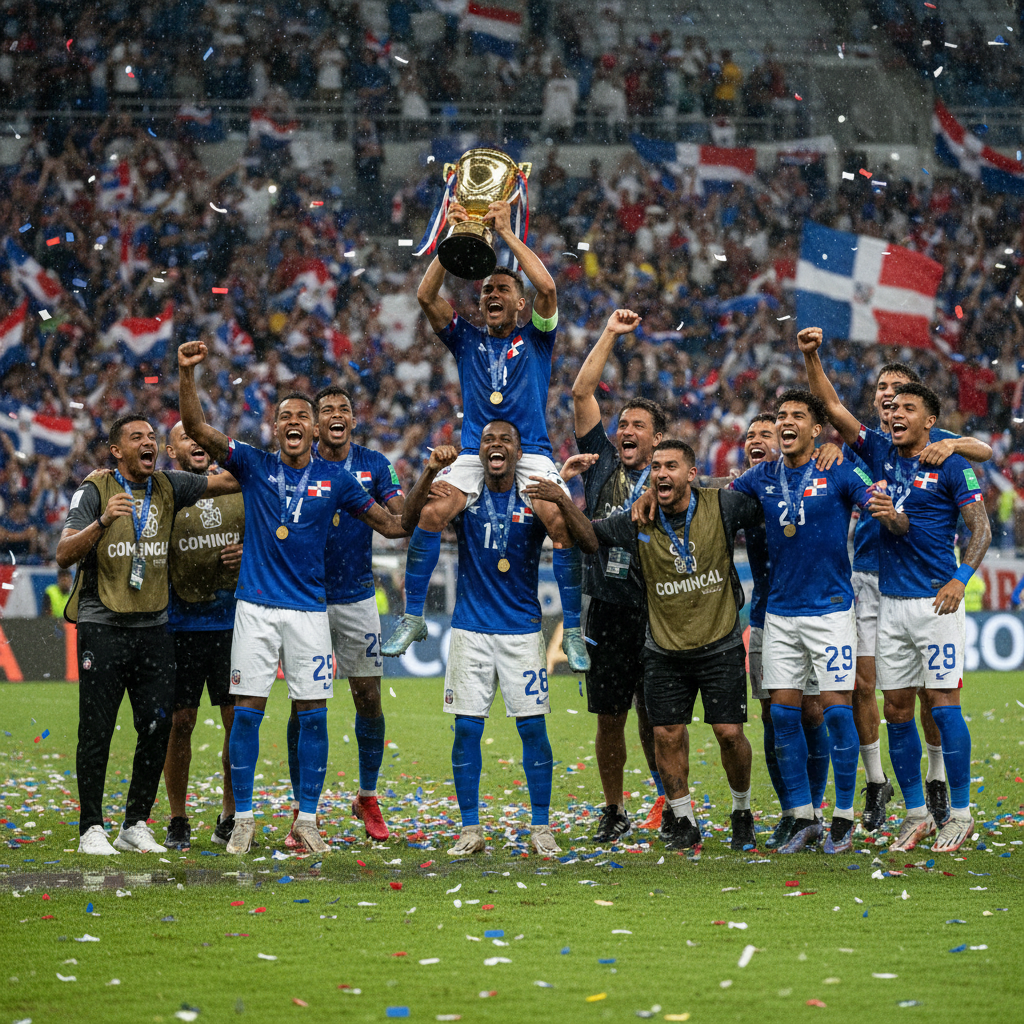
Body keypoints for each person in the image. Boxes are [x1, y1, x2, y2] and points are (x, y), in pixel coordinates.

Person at [176, 339, 408, 856]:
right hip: (255, 609)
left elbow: (393, 527)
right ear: (276, 427)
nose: (297, 422)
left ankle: (306, 820)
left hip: (310, 613)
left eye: (306, 415)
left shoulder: (339, 479)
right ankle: (244, 819)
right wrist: (187, 374)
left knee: (314, 714)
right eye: (288, 416)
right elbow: (196, 430)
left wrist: (435, 476)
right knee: (248, 712)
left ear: (318, 428)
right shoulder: (253, 464)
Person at [799, 327, 992, 854]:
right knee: (897, 710)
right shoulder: (880, 453)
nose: (894, 411)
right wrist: (813, 356)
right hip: (891, 602)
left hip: (935, 600)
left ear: (930, 420)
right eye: (891, 405)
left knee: (945, 705)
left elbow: (981, 529)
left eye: (907, 405)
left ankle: (960, 811)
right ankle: (914, 813)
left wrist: (960, 579)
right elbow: (834, 409)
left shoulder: (951, 463)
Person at [382, 199, 590, 673]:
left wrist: (506, 234)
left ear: (519, 303)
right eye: (486, 290)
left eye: (502, 289)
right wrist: (460, 238)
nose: (492, 294)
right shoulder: (467, 339)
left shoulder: (537, 338)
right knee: (432, 513)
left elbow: (549, 287)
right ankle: (413, 616)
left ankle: (573, 629)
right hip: (477, 451)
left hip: (532, 451)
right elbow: (425, 296)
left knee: (559, 523)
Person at [533, 439, 761, 853]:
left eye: (671, 466)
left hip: (719, 643)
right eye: (656, 467)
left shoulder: (723, 506)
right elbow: (589, 539)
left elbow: (764, 499)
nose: (660, 473)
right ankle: (685, 821)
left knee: (730, 734)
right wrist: (564, 501)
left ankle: (742, 811)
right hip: (665, 649)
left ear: (692, 473)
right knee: (665, 735)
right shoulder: (637, 519)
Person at [57, 414, 239, 856]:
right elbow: (63, 553)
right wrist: (101, 522)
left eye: (153, 438)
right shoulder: (95, 488)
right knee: (97, 730)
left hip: (155, 628)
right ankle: (91, 828)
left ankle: (135, 823)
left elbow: (229, 481)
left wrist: (261, 456)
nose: (149, 443)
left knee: (157, 728)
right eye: (137, 437)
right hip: (103, 626)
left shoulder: (169, 486)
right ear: (116, 450)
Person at [404, 423, 561, 858]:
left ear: (518, 451)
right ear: (480, 452)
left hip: (522, 631)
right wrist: (434, 471)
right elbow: (422, 518)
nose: (496, 445)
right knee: (467, 730)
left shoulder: (534, 498)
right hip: (471, 630)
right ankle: (470, 828)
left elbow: (567, 535)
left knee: (533, 729)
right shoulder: (464, 496)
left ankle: (541, 826)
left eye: (506, 440)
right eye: (488, 440)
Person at [731, 390, 872, 855]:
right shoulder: (761, 477)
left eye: (796, 417)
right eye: (781, 416)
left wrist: (890, 511)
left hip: (831, 610)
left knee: (834, 711)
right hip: (780, 615)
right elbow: (719, 490)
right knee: (783, 715)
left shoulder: (840, 468)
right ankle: (803, 817)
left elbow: (879, 498)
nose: (786, 422)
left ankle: (844, 819)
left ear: (816, 430)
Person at [279, 385, 405, 847]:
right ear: (314, 425)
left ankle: (367, 797)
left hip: (356, 598)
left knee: (368, 698)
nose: (336, 414)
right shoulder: (296, 466)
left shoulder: (375, 465)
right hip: (306, 598)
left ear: (354, 420)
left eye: (343, 409)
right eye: (326, 409)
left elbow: (401, 518)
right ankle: (302, 808)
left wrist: (431, 478)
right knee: (304, 704)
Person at [569, 307, 667, 842]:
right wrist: (608, 332)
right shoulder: (602, 462)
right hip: (606, 605)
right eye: (623, 424)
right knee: (610, 717)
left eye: (637, 427)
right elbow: (582, 394)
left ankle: (666, 799)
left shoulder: (668, 475)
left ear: (658, 441)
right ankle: (613, 808)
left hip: (655, 608)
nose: (626, 431)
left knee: (657, 718)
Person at [738, 413, 836, 851]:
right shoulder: (749, 489)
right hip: (765, 617)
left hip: (814, 613)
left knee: (813, 712)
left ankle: (813, 807)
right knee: (773, 717)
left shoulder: (812, 476)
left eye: (765, 433)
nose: (756, 439)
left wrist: (834, 450)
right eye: (750, 435)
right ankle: (790, 812)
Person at [161, 421, 245, 851]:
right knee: (181, 722)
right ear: (171, 451)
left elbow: (271, 545)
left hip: (234, 623)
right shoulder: (166, 494)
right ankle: (178, 818)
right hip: (181, 625)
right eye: (184, 439)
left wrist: (247, 557)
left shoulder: (240, 485)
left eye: (199, 437)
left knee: (236, 721)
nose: (195, 443)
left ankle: (230, 813)